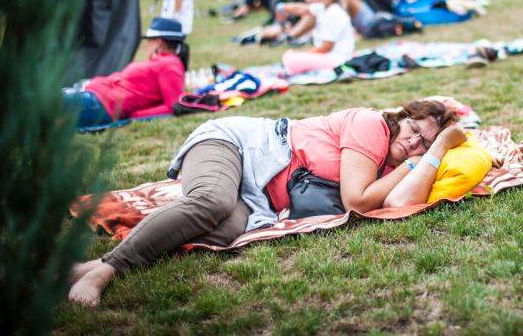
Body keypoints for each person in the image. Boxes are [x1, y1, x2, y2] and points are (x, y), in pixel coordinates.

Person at [67, 99, 466, 307]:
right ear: (402, 116)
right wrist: (413, 162)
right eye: (414, 129)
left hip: (255, 194)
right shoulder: (372, 126)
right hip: (235, 144)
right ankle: (107, 272)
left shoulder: (389, 166)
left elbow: (397, 201)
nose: (413, 142)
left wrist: (426, 156)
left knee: (220, 232)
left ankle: (88, 267)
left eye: (424, 142)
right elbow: (357, 200)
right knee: (210, 202)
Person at [62, 18, 188, 128]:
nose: (146, 44)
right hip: (94, 98)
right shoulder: (162, 62)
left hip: (99, 105)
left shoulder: (170, 64)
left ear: (159, 42)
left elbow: (173, 105)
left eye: (149, 40)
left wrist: (136, 116)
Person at [280, 0, 355, 75]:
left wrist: (304, 55)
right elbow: (302, 9)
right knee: (290, 55)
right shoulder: (324, 8)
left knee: (291, 59)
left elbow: (326, 47)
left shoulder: (334, 14)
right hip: (329, 56)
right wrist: (282, 7)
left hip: (336, 59)